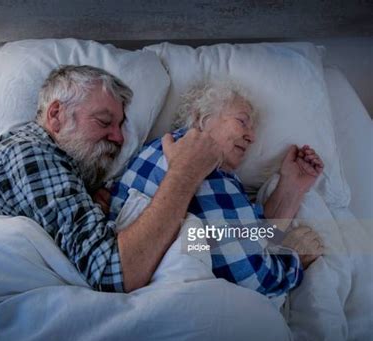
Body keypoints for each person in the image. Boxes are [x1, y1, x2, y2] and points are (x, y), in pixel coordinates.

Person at [0, 65, 226, 293]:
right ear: (56, 115)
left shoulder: (41, 156)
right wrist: (184, 174)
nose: (119, 137)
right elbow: (113, 274)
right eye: (104, 121)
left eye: (121, 126)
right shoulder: (30, 153)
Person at [110, 80, 324, 297]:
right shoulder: (203, 167)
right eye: (242, 121)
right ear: (202, 119)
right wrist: (295, 259)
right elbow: (254, 280)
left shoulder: (155, 151)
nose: (252, 137)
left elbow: (249, 239)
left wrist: (291, 187)